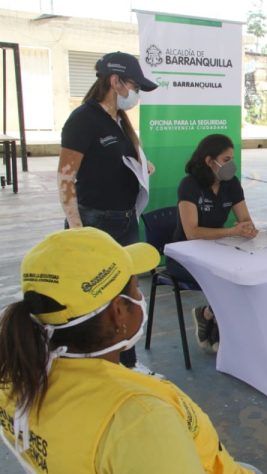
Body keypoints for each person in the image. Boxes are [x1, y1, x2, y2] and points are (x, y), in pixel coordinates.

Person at [0, 228, 267, 474]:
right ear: (118, 312)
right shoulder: (138, 419)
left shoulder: (13, 375)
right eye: (136, 286)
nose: (140, 295)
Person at [57, 51, 158, 376]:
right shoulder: (84, 119)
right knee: (97, 300)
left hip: (125, 220)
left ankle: (127, 365)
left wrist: (144, 167)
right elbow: (65, 179)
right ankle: (98, 368)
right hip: (95, 223)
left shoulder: (119, 121)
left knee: (126, 297)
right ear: (115, 81)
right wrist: (77, 230)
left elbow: (114, 162)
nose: (136, 94)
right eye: (133, 85)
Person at [168, 134, 258, 353]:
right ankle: (219, 324)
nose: (231, 165)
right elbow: (192, 233)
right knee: (226, 279)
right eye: (226, 160)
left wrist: (247, 228)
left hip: (218, 249)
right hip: (185, 256)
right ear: (210, 161)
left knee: (244, 274)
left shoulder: (231, 183)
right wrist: (231, 231)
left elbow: (245, 219)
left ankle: (208, 314)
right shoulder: (189, 185)